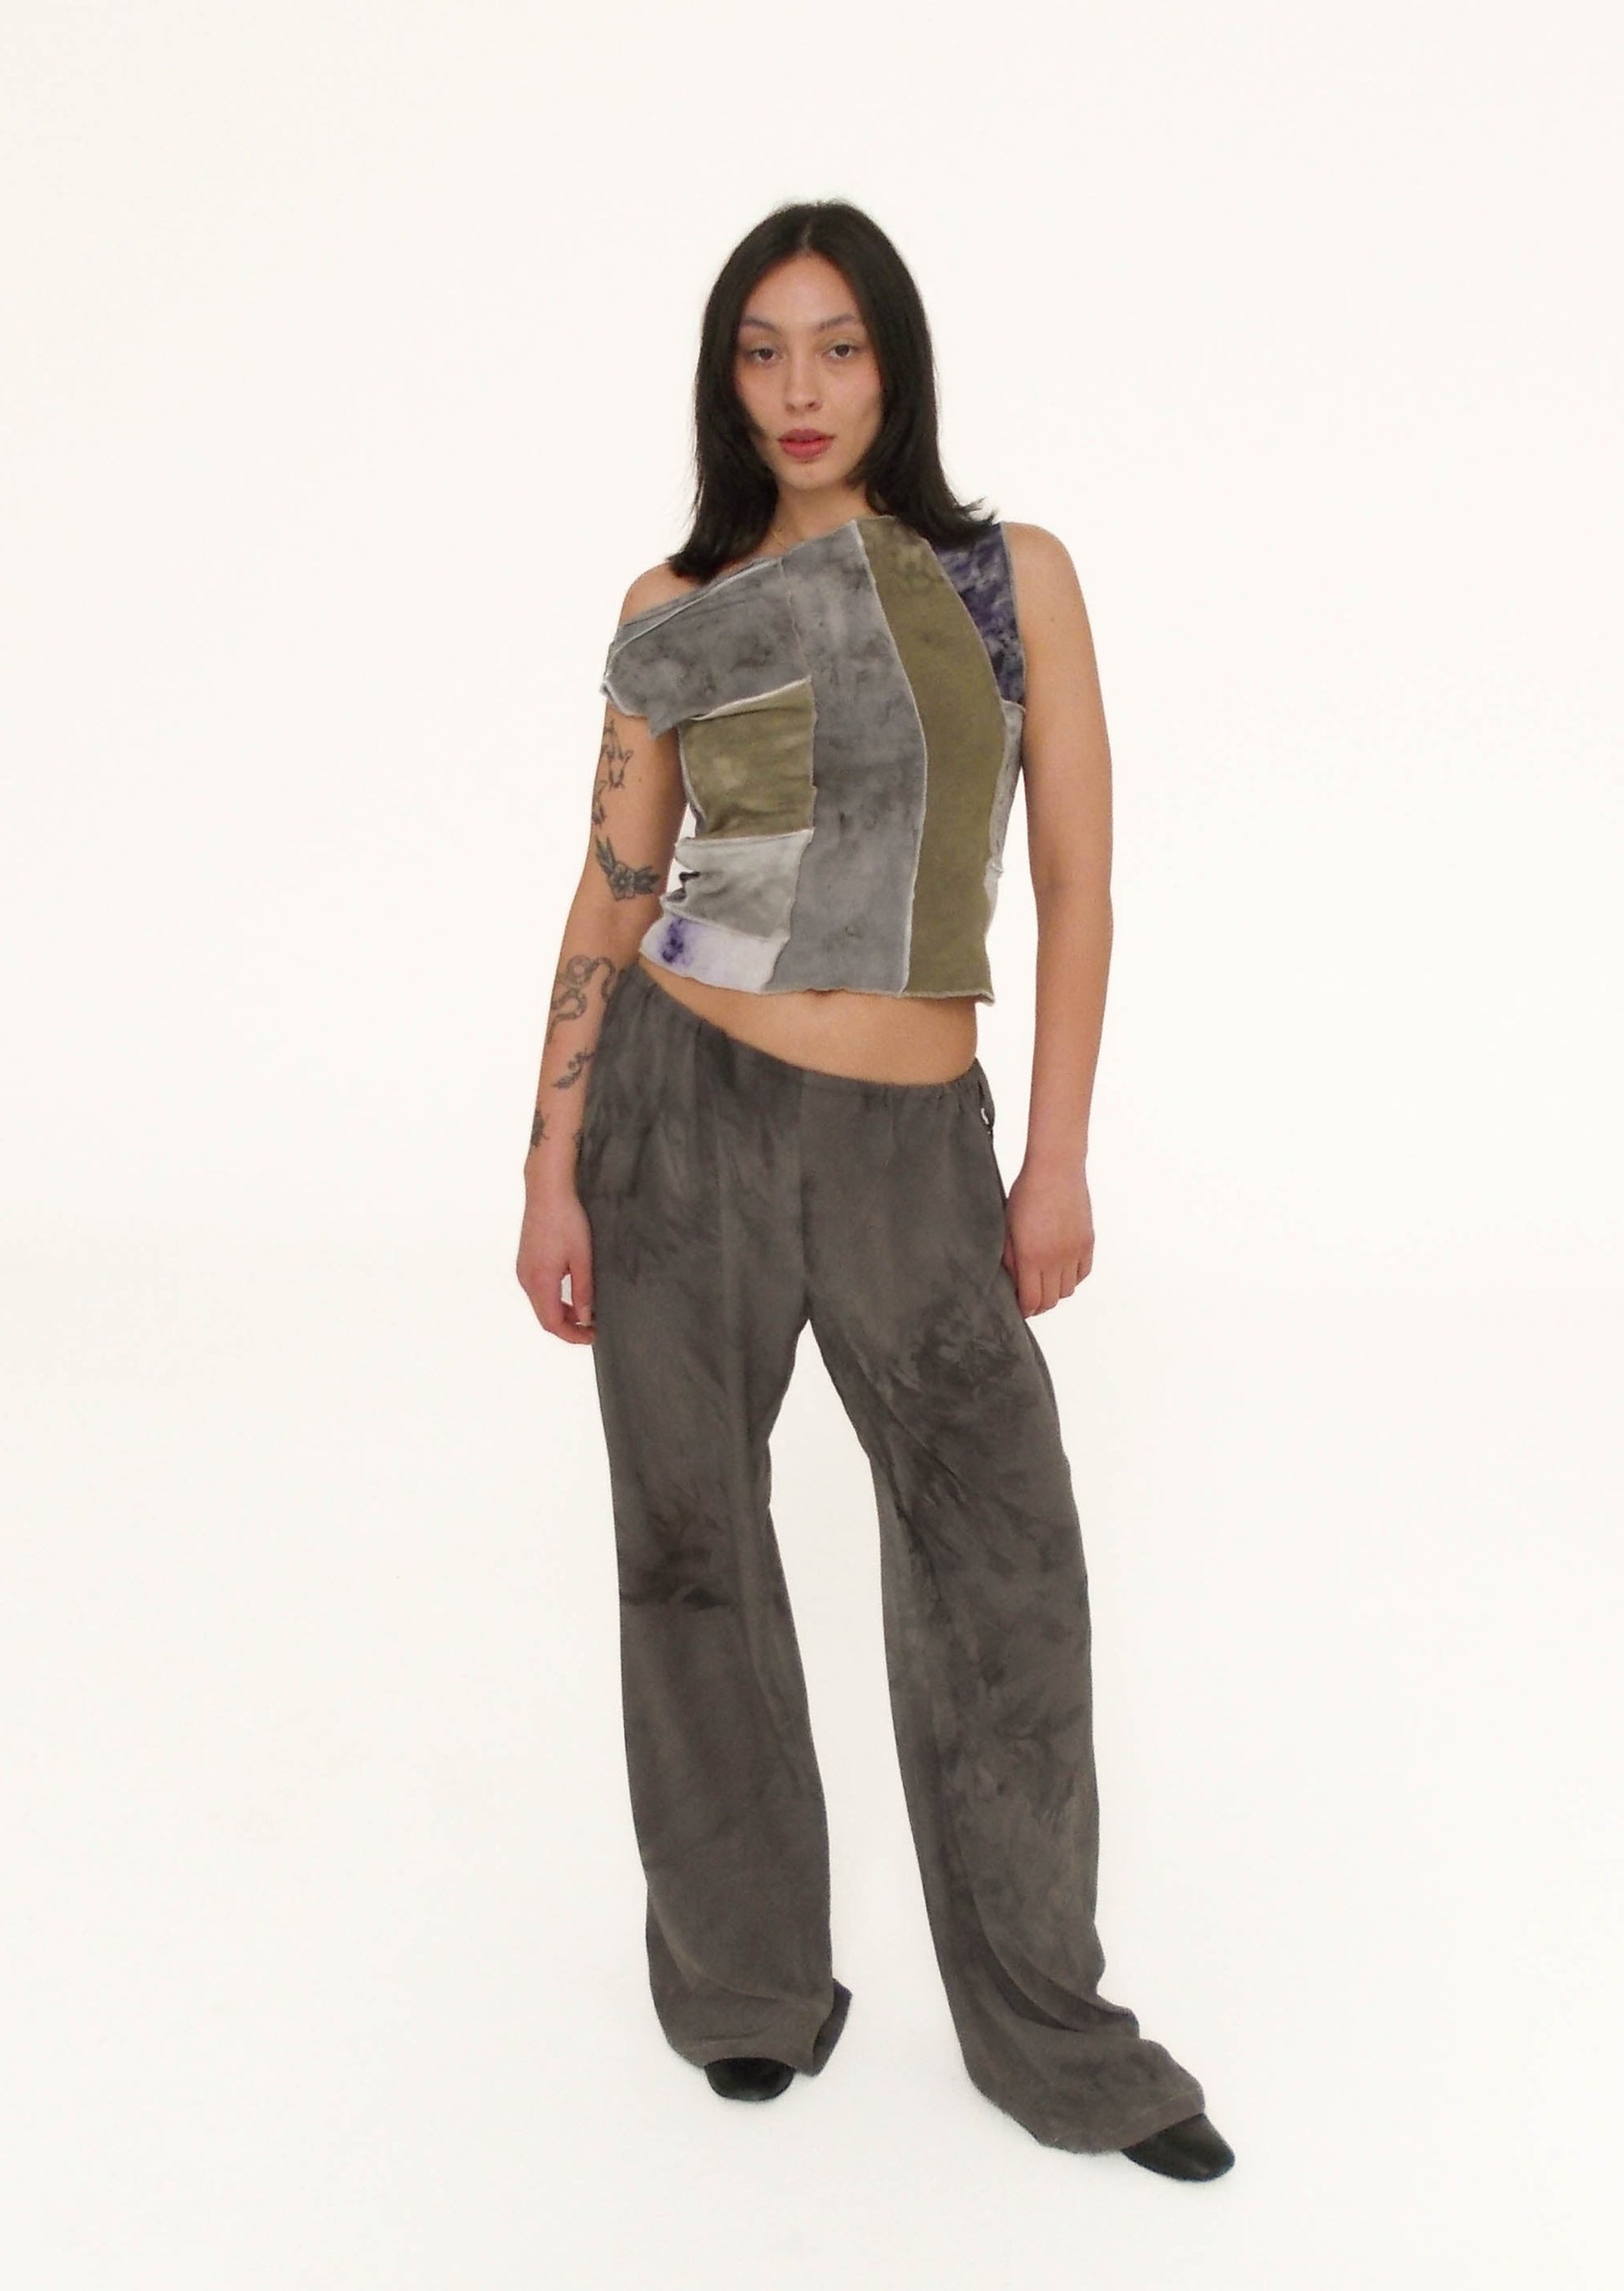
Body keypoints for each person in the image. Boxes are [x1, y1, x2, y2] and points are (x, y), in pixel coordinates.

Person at [516, 199, 1234, 2183]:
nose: (800, 387)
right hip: (680, 1116)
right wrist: (550, 1158)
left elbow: (1075, 878)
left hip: (916, 1142)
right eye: (761, 350)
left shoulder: (1007, 578)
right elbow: (614, 884)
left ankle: (1052, 2034)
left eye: (836, 344)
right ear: (723, 378)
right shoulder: (679, 598)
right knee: (689, 1547)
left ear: (895, 362)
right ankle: (747, 1985)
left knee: (1003, 1566)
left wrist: (1054, 1151)